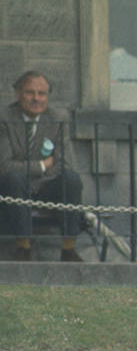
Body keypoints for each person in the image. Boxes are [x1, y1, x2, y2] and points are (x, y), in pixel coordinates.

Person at [0, 71, 83, 262]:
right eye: (30, 93)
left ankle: (68, 250)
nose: (36, 99)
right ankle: (24, 249)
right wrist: (42, 166)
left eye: (42, 93)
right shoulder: (4, 118)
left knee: (71, 179)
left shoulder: (57, 118)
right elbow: (5, 166)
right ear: (17, 93)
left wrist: (40, 172)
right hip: (13, 188)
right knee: (13, 178)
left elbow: (65, 163)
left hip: (47, 185)